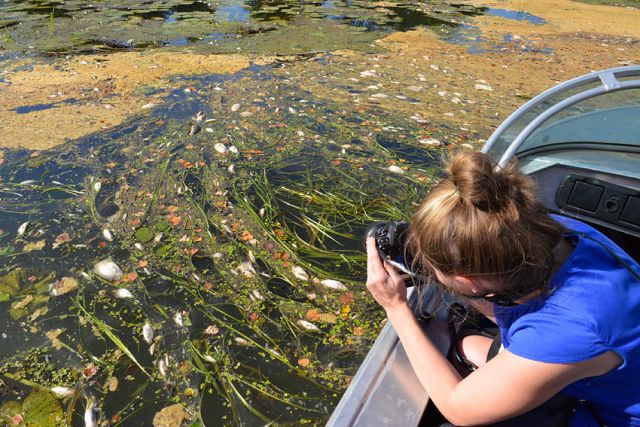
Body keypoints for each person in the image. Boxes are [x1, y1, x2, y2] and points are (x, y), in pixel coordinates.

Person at [365, 150, 640, 427]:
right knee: (465, 347)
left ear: (468, 281)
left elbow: (458, 409)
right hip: (605, 372)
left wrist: (396, 307)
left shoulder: (573, 327)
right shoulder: (558, 233)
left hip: (612, 417)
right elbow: (522, 303)